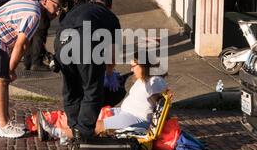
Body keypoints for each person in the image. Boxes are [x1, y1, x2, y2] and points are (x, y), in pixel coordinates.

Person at [0, 0, 64, 138]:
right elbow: (21, 45)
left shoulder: (29, 4)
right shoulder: (35, 15)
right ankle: (2, 125)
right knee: (1, 80)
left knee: (3, 79)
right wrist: (11, 70)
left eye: (60, 10)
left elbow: (21, 43)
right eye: (56, 6)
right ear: (45, 1)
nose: (57, 12)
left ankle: (6, 122)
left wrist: (10, 69)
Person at [39, 56, 168, 143]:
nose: (131, 69)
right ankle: (64, 133)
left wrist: (157, 126)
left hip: (136, 118)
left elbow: (161, 102)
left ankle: (54, 132)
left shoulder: (155, 81)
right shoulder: (143, 80)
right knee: (90, 117)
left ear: (143, 66)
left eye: (134, 66)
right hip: (125, 113)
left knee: (94, 126)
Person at [54, 0, 120, 140]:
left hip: (61, 42)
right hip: (85, 42)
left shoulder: (77, 8)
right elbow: (113, 52)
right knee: (93, 89)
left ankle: (73, 127)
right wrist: (109, 73)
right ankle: (84, 133)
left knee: (71, 87)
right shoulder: (110, 17)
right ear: (109, 6)